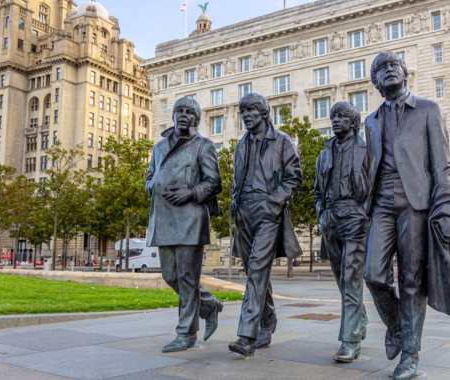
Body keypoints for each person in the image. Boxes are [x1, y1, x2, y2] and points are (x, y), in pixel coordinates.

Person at [363, 52, 450, 379]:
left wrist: (442, 203)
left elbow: (442, 165)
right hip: (381, 204)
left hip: (416, 203)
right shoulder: (371, 121)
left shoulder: (428, 110)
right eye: (380, 68)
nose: (388, 69)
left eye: (394, 65)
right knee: (373, 275)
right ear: (375, 82)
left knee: (411, 280)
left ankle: (410, 354)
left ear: (406, 74)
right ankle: (395, 326)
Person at [146, 97, 223, 353]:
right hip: (164, 218)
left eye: (190, 113)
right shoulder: (158, 147)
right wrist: (153, 188)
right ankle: (209, 304)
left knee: (188, 277)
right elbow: (149, 177)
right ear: (173, 115)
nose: (183, 115)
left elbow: (214, 183)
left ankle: (186, 333)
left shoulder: (204, 146)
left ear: (197, 119)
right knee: (170, 276)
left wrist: (190, 192)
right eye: (179, 111)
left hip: (191, 218)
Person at [229, 93, 302, 357]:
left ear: (263, 113)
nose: (245, 115)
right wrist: (234, 206)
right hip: (244, 213)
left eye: (250, 110)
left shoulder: (282, 141)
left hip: (268, 210)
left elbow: (294, 177)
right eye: (242, 111)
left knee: (258, 270)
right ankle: (268, 320)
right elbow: (236, 182)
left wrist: (275, 202)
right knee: (255, 273)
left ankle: (246, 335)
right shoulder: (240, 145)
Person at [314, 101, 369, 363]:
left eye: (342, 116)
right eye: (333, 116)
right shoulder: (324, 154)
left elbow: (376, 187)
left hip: (355, 218)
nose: (335, 120)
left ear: (354, 122)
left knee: (351, 278)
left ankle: (350, 341)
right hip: (330, 219)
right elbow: (317, 191)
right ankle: (359, 320)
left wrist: (364, 213)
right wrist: (321, 213)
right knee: (341, 280)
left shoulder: (367, 150)